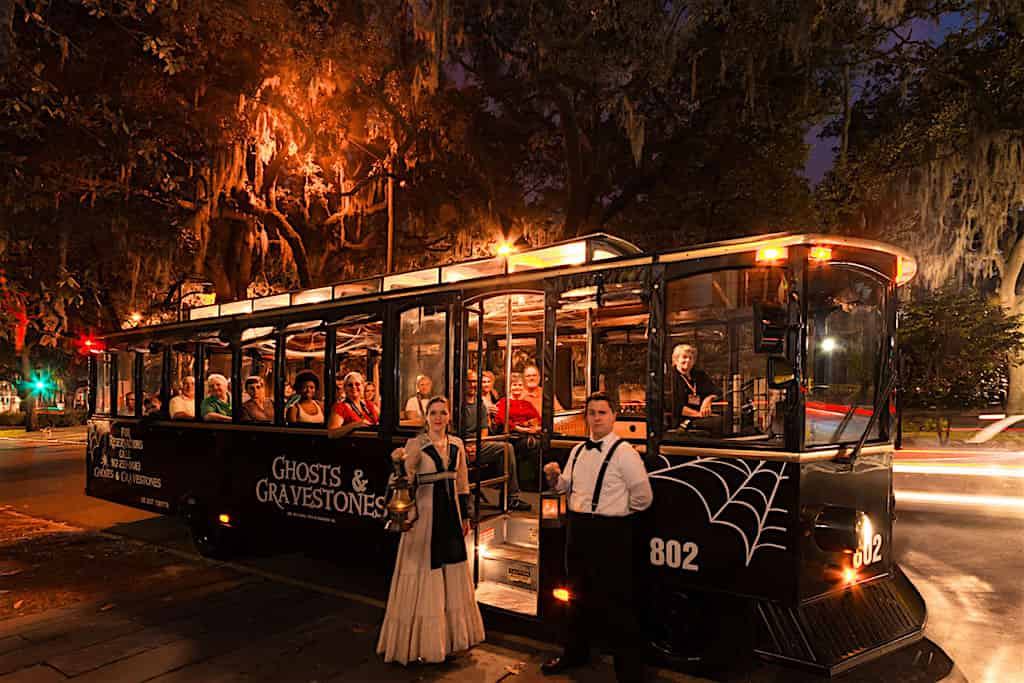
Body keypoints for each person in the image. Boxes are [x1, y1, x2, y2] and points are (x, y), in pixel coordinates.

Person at [541, 392, 652, 682]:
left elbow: (643, 498)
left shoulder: (625, 453)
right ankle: (574, 654)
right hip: (578, 530)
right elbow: (565, 486)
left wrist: (615, 513)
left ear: (614, 416)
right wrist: (555, 479)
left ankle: (629, 673)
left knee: (618, 603)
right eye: (592, 412)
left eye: (602, 412)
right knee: (575, 597)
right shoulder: (578, 451)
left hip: (611, 533)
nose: (596, 418)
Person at [378, 396, 485, 664]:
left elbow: (462, 484)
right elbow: (402, 480)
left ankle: (448, 640)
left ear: (450, 416)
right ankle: (422, 644)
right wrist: (399, 469)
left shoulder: (457, 445)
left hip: (451, 516)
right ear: (426, 416)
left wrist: (467, 516)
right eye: (433, 412)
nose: (438, 417)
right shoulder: (415, 444)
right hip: (425, 518)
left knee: (450, 572)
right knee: (426, 571)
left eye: (443, 412)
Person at [462, 371, 530, 512]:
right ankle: (464, 499)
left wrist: (477, 446)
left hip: (478, 443)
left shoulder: (480, 404)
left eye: (475, 381)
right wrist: (467, 447)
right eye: (469, 381)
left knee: (506, 448)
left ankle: (511, 498)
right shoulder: (457, 404)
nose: (473, 385)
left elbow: (484, 430)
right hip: (461, 445)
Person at [669, 344, 720, 435]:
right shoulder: (669, 379)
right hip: (682, 421)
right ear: (676, 359)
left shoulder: (700, 375)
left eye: (690, 358)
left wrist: (708, 400)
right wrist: (699, 415)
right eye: (684, 357)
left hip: (701, 417)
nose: (688, 360)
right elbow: (674, 406)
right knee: (718, 423)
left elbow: (717, 391)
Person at [328, 371, 379, 438]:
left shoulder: (369, 405)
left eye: (357, 384)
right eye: (350, 385)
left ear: (363, 387)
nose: (354, 387)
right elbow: (332, 434)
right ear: (345, 388)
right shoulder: (340, 407)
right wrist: (355, 425)